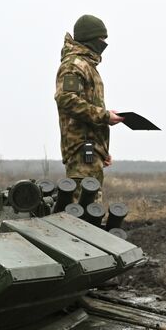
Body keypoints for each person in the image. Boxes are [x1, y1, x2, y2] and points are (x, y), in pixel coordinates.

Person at [55, 14, 124, 201]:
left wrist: (101, 150)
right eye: (101, 38)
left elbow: (88, 110)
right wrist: (104, 116)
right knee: (84, 215)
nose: (104, 43)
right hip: (80, 152)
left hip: (91, 152)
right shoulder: (74, 65)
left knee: (92, 209)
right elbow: (66, 99)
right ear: (90, 38)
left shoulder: (87, 65)